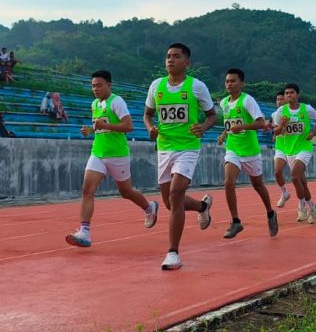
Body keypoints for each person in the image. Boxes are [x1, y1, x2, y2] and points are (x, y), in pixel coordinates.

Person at [142, 43, 218, 270]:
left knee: (176, 193)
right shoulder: (156, 86)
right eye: (167, 57)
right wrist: (149, 128)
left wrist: (203, 127)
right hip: (164, 147)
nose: (170, 60)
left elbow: (212, 115)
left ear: (187, 62)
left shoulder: (197, 86)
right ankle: (202, 207)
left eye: (176, 57)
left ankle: (173, 253)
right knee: (169, 202)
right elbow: (148, 114)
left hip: (187, 147)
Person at [66, 70, 159, 248]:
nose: (95, 89)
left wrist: (105, 125)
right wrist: (91, 130)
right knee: (87, 189)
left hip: (117, 154)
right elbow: (100, 126)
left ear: (109, 85)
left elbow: (128, 126)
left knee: (126, 192)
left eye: (99, 85)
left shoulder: (117, 101)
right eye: (93, 86)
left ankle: (149, 208)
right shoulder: (94, 104)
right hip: (98, 152)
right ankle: (84, 232)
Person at [216, 68, 278, 239]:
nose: (229, 84)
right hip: (233, 149)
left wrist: (242, 127)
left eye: (233, 81)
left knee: (258, 185)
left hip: (250, 151)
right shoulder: (223, 103)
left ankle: (271, 213)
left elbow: (261, 124)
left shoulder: (247, 101)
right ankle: (236, 221)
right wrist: (223, 135)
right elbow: (229, 126)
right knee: (228, 182)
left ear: (241, 83)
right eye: (227, 81)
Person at [272, 83, 316, 223]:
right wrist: (282, 125)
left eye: (292, 92)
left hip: (304, 148)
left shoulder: (307, 109)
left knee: (294, 177)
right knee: (302, 182)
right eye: (286, 93)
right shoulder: (281, 112)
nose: (289, 95)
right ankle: (313, 207)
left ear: (298, 94)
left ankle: (301, 208)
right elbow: (276, 132)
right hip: (289, 150)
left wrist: (313, 133)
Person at [270, 89, 291, 208]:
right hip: (281, 147)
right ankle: (284, 193)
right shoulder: (274, 115)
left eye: (281, 99)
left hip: (295, 148)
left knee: (297, 177)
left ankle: (303, 204)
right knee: (277, 171)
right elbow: (276, 130)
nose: (279, 102)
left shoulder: (293, 112)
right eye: (277, 100)